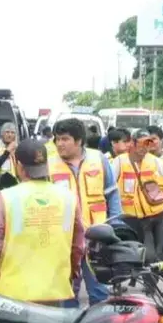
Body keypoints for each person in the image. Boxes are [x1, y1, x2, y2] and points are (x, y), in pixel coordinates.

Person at [0, 138, 83, 307]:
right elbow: (78, 246)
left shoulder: (6, 198)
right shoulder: (69, 197)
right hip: (54, 290)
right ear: (46, 166)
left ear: (19, 166)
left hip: (12, 293)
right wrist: (72, 273)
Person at [50, 118, 120, 305]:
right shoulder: (49, 164)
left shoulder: (99, 159)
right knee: (66, 292)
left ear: (79, 140)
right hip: (65, 239)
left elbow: (112, 193)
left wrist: (115, 226)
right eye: (57, 139)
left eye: (65, 139)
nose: (59, 144)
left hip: (96, 236)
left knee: (99, 289)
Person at [113, 130, 163, 261]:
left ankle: (161, 278)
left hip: (158, 213)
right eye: (142, 144)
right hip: (133, 218)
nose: (145, 148)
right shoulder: (119, 162)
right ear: (132, 143)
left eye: (148, 144)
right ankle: (150, 280)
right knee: (146, 255)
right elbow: (109, 186)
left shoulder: (154, 161)